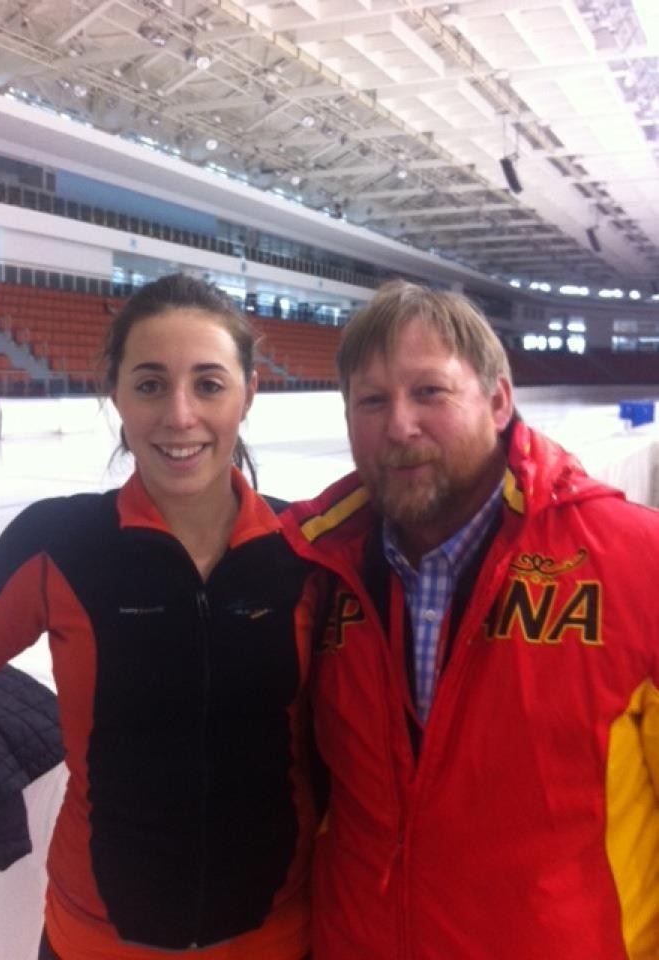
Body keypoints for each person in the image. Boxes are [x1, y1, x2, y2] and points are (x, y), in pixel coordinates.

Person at [0, 273, 319, 960]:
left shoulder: (307, 551)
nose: (179, 415)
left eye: (208, 384)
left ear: (250, 393)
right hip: (96, 941)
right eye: (149, 384)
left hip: (280, 939)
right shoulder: (59, 545)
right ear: (115, 393)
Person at [281, 280, 659, 960]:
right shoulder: (311, 570)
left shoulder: (637, 564)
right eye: (371, 400)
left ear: (497, 400)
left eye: (429, 391)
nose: (399, 425)